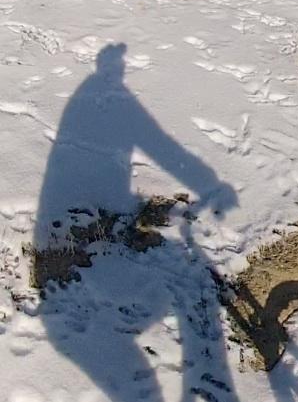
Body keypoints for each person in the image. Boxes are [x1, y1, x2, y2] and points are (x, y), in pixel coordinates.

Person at [33, 43, 238, 402]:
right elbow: (161, 145)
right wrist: (210, 184)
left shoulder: (92, 93)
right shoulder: (113, 97)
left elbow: (160, 145)